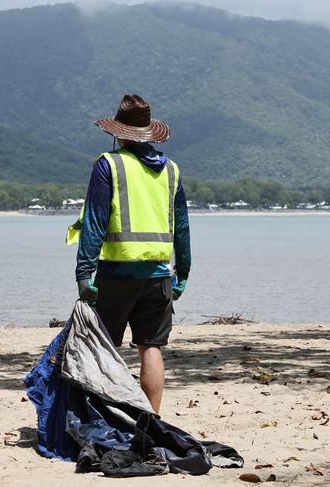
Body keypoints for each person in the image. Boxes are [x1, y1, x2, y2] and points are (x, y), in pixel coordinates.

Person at [67, 94, 191, 414]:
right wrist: (184, 273)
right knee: (151, 348)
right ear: (148, 133)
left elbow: (95, 222)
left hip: (116, 274)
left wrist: (84, 273)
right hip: (160, 275)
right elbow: (182, 228)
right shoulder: (172, 171)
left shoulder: (109, 165)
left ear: (118, 132)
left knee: (104, 348)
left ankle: (108, 413)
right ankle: (151, 420)